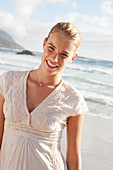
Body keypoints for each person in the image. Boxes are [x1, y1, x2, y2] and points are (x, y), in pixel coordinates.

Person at [0, 22, 88, 170]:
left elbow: (73, 156)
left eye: (64, 54)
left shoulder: (73, 99)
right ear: (44, 43)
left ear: (73, 57)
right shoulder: (8, 81)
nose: (54, 58)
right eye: (51, 48)